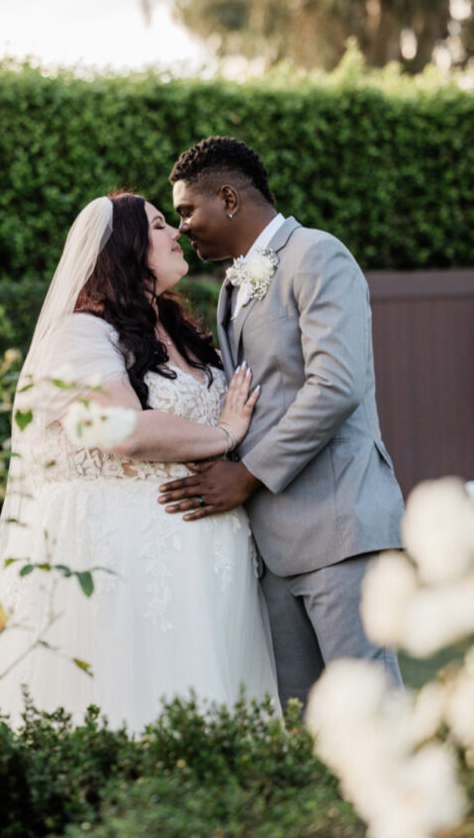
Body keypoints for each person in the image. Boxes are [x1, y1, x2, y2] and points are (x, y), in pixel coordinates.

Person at [0, 193, 279, 734]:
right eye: (160, 225)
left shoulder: (176, 330)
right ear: (128, 250)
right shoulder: (80, 334)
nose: (176, 233)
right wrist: (225, 432)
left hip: (208, 561)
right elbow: (122, 431)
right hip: (128, 556)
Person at [159, 136, 404, 706]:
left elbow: (335, 385)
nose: (184, 227)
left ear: (228, 197)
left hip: (340, 529)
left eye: (187, 210)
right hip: (271, 549)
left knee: (371, 717)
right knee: (304, 728)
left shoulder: (316, 254)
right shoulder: (229, 289)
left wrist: (247, 475)